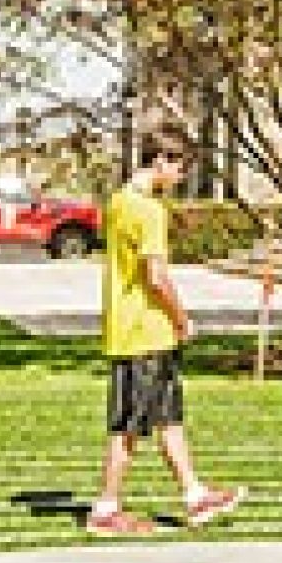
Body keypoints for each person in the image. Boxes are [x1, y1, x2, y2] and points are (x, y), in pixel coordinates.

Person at [85, 124, 243, 538]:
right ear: (161, 161)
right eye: (179, 170)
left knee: (168, 419)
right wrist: (181, 318)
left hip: (140, 330)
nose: (179, 180)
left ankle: (195, 495)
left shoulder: (118, 202)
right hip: (144, 331)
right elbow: (156, 276)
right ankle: (105, 508)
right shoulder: (148, 211)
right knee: (129, 426)